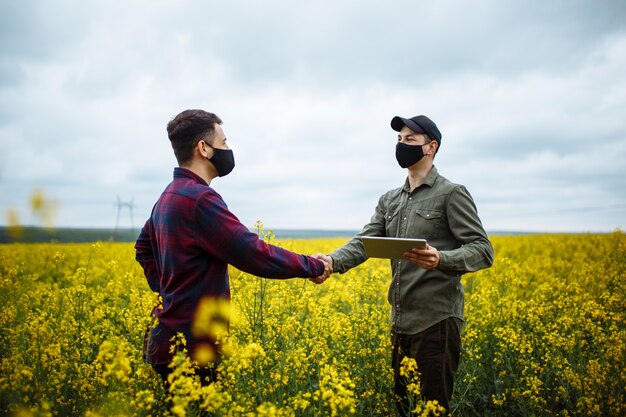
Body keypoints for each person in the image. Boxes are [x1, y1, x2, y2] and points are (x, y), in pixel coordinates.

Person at [135, 109, 331, 388]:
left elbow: (142, 247)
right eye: (224, 142)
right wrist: (312, 265)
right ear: (204, 148)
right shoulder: (199, 200)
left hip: (167, 339)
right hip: (192, 347)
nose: (228, 149)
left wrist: (167, 290)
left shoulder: (168, 195)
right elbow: (252, 252)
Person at [314, 114, 493, 415]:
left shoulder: (451, 194)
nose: (401, 145)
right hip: (400, 323)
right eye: (399, 140)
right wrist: (331, 261)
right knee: (403, 409)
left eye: (410, 139)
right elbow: (365, 242)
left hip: (436, 322)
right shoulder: (390, 200)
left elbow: (482, 250)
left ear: (431, 147)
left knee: (433, 410)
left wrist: (441, 259)